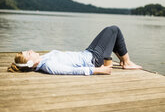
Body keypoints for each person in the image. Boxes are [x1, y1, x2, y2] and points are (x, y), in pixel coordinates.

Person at [7, 25, 142, 75]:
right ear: (31, 64)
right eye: (28, 53)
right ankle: (127, 62)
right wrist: (99, 70)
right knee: (113, 30)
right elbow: (72, 71)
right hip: (94, 60)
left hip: (88, 53)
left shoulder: (43, 59)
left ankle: (126, 62)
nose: (30, 50)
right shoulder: (48, 66)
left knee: (111, 32)